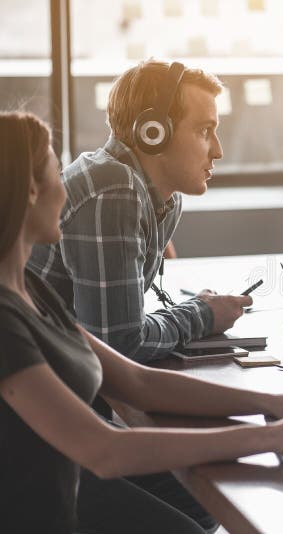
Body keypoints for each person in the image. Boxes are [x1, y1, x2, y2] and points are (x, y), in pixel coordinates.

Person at [0, 111, 283, 533]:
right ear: (29, 190)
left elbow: (138, 383)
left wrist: (276, 404)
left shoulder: (30, 290)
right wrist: (273, 437)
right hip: (43, 513)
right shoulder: (5, 321)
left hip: (70, 486)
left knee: (201, 507)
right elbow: (104, 449)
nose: (66, 190)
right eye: (56, 174)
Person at [28, 59, 248, 363]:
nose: (218, 150)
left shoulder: (163, 197)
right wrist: (203, 315)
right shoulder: (113, 190)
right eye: (204, 131)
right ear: (154, 132)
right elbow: (120, 344)